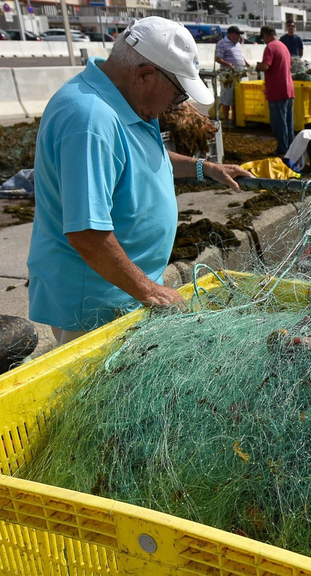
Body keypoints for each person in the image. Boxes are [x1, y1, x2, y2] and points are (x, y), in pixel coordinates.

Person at [27, 17, 251, 344]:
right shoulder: (90, 119)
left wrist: (206, 169)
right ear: (145, 75)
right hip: (95, 305)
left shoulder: (127, 102)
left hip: (125, 293)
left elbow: (142, 160)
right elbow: (87, 234)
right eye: (176, 96)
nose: (177, 106)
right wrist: (151, 291)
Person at [256, 24, 295, 142]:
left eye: (263, 38)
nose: (263, 40)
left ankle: (282, 147)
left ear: (266, 36)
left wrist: (257, 66)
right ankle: (290, 146)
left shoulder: (270, 47)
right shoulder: (283, 46)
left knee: (278, 122)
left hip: (277, 89)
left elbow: (266, 66)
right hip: (288, 88)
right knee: (288, 121)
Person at [213, 25, 245, 121]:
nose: (238, 37)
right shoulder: (222, 43)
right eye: (237, 34)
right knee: (227, 97)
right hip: (227, 75)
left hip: (239, 73)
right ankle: (226, 119)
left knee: (236, 97)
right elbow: (218, 58)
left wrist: (246, 63)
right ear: (231, 34)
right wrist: (228, 64)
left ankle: (235, 119)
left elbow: (239, 57)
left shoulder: (238, 44)